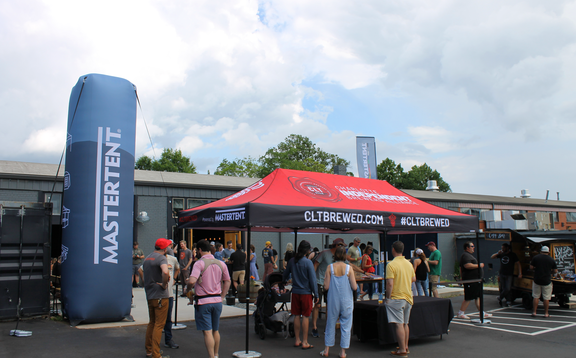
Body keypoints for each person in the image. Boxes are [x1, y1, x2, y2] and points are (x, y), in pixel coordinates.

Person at [187, 239, 231, 358]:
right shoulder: (221, 263)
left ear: (199, 250)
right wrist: (222, 296)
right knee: (215, 330)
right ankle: (216, 354)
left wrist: (188, 287)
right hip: (217, 301)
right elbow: (227, 281)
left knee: (207, 331)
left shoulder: (199, 263)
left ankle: (211, 356)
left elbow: (192, 280)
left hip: (203, 301)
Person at [320, 246, 357, 358]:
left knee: (330, 323)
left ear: (335, 255)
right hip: (346, 301)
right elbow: (354, 287)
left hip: (333, 301)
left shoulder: (329, 267)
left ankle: (326, 350)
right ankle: (342, 352)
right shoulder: (349, 268)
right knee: (346, 325)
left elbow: (326, 286)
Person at [283, 240, 318, 350]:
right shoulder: (308, 263)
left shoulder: (292, 261)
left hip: (295, 292)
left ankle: (297, 340)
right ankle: (305, 341)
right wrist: (316, 294)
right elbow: (313, 280)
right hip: (306, 293)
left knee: (296, 315)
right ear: (307, 251)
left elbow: (285, 274)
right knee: (306, 316)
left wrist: (283, 282)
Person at [386, 241, 415, 358]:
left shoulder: (391, 265)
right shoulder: (409, 263)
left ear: (393, 249)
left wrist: (388, 297)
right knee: (405, 324)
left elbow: (389, 283)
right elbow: (414, 278)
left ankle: (402, 349)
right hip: (408, 296)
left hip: (397, 297)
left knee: (398, 324)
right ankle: (405, 346)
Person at [143, 238, 171, 358]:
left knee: (152, 323)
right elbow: (165, 272)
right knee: (159, 324)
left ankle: (149, 350)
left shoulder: (147, 258)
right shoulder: (162, 258)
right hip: (160, 295)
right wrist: (164, 285)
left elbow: (140, 270)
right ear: (164, 249)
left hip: (150, 294)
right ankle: (156, 354)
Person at [312, 238, 346, 338]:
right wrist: (313, 279)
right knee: (317, 305)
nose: (343, 248)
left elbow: (348, 264)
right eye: (341, 246)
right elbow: (315, 264)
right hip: (319, 282)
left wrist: (363, 272)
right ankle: (314, 327)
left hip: (331, 283)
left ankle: (328, 328)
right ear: (336, 245)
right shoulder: (324, 253)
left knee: (329, 306)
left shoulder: (339, 256)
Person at [457, 241, 492, 319]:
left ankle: (481, 312)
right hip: (470, 281)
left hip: (475, 281)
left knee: (477, 297)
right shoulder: (466, 255)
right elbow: (466, 265)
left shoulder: (468, 255)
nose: (474, 248)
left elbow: (460, 268)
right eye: (472, 246)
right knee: (468, 297)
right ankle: (461, 313)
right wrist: (478, 265)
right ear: (467, 248)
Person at [491, 243, 522, 307]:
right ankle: (508, 300)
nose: (502, 249)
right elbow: (492, 257)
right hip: (502, 273)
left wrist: (520, 273)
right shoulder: (501, 254)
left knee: (508, 288)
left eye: (503, 248)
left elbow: (518, 263)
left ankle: (500, 297)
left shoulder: (512, 255)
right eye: (502, 248)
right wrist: (498, 253)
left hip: (509, 273)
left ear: (507, 248)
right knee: (503, 287)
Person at [530, 246, 558, 318]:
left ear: (541, 251)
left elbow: (531, 267)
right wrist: (550, 272)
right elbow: (555, 271)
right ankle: (546, 313)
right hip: (546, 280)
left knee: (536, 296)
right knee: (546, 297)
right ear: (548, 252)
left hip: (537, 279)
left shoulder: (536, 258)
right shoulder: (551, 259)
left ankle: (534, 312)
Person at [164, 249, 180, 349]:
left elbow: (178, 268)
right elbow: (141, 269)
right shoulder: (154, 258)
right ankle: (153, 343)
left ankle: (168, 339)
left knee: (168, 319)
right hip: (157, 295)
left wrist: (174, 278)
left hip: (169, 294)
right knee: (156, 320)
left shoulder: (172, 259)